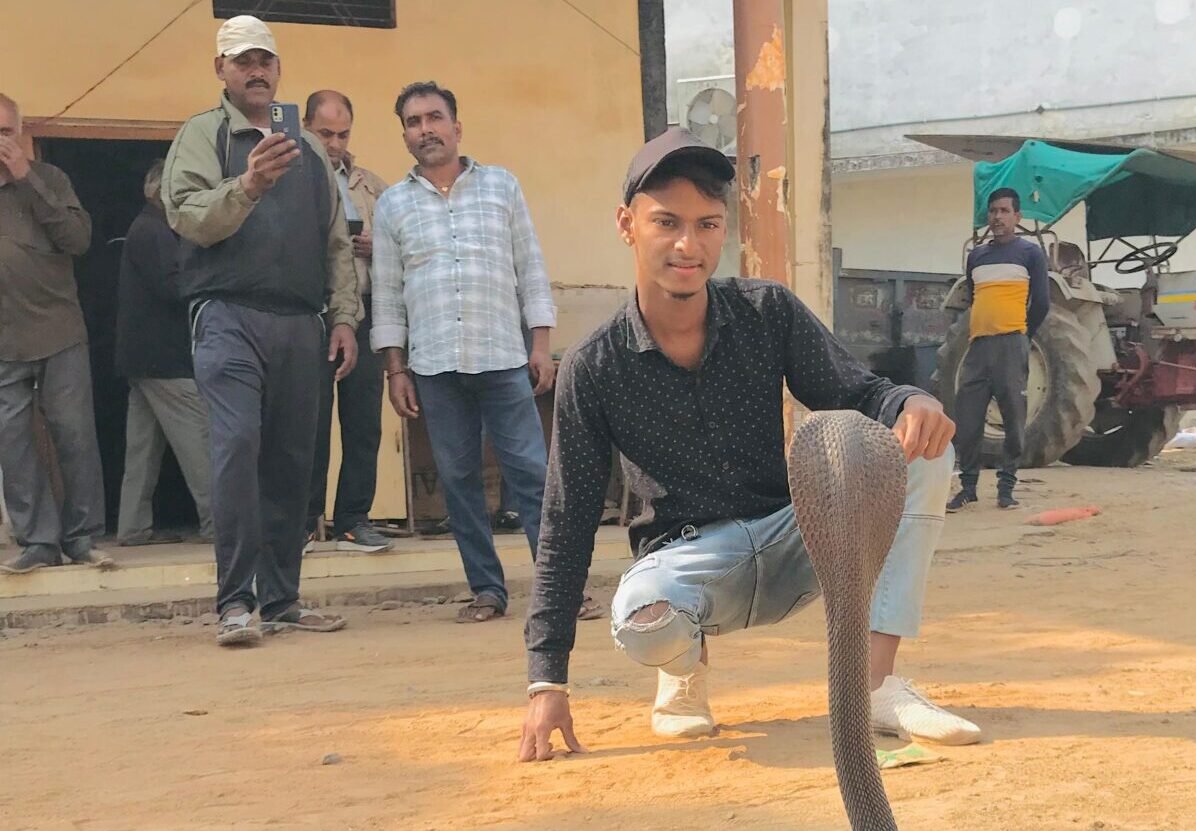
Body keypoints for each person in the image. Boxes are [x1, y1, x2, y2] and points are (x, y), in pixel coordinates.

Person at [518, 127, 981, 764]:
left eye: (708, 224)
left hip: (795, 537)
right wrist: (549, 679)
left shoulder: (767, 312)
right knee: (640, 620)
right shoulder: (595, 367)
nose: (689, 245)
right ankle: (684, 675)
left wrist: (912, 403)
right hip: (687, 569)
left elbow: (858, 391)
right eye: (667, 222)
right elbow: (565, 521)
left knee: (922, 450)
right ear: (627, 225)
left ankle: (872, 685)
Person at [163, 15, 360, 646]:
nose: (256, 71)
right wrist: (247, 184)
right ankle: (235, 602)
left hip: (300, 321)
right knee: (237, 449)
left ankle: (281, 599)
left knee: (293, 462)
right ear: (219, 69)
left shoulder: (305, 147)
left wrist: (345, 318)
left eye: (265, 61)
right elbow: (187, 216)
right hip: (226, 314)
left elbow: (336, 241)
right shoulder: (203, 134)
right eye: (242, 60)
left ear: (278, 71)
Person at [373, 82, 599, 623]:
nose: (425, 129)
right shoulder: (392, 205)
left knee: (533, 473)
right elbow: (386, 291)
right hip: (433, 363)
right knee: (457, 479)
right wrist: (395, 368)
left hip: (502, 357)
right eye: (413, 121)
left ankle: (561, 588)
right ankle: (486, 590)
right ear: (404, 134)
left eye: (434, 117)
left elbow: (531, 268)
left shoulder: (501, 186)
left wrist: (540, 344)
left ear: (457, 126)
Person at [0, 91, 111, 574]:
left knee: (74, 435)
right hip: (3, 341)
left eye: (4, 132)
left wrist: (27, 179)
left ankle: (82, 537)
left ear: (21, 135)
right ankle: (37, 543)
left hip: (59, 329)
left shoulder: (50, 178)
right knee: (12, 442)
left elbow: (79, 239)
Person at [302, 89, 393, 554]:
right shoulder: (290, 174)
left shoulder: (370, 186)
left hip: (364, 309)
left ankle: (353, 519)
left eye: (342, 134)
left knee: (363, 423)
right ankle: (304, 521)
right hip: (309, 311)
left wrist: (379, 246)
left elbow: (404, 248)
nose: (334, 143)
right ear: (304, 126)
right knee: (307, 422)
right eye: (325, 133)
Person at [115, 161, 214, 547]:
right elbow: (176, 288)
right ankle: (221, 525)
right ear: (163, 191)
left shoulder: (146, 228)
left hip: (142, 359)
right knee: (199, 442)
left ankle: (132, 528)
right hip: (165, 359)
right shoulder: (155, 230)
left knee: (142, 449)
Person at [947, 187, 1050, 511]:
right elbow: (976, 299)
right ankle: (968, 487)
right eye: (993, 211)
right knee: (968, 419)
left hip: (1011, 344)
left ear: (1017, 217)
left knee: (1013, 419)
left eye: (1005, 211)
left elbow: (1042, 303)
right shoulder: (976, 256)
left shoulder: (1030, 254)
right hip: (978, 347)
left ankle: (1006, 488)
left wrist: (1022, 335)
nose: (998, 217)